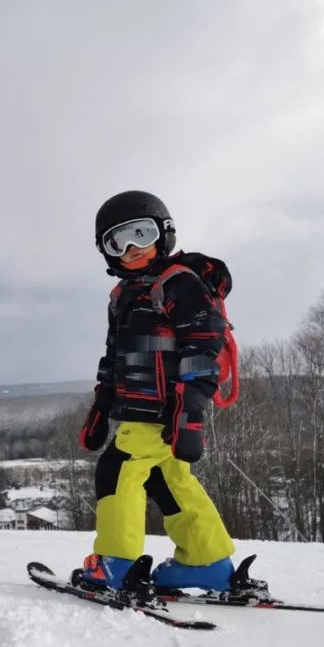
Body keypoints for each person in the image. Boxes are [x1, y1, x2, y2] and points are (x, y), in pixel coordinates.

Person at [76, 190, 243, 593]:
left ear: (163, 234)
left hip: (163, 409)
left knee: (117, 469)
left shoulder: (179, 284)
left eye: (141, 234)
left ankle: (117, 564)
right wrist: (102, 402)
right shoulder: (122, 295)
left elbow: (205, 345)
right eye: (118, 242)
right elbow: (114, 355)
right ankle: (207, 561)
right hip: (138, 408)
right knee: (169, 480)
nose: (131, 249)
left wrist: (191, 409)